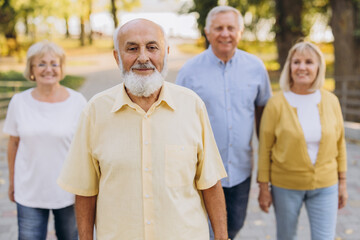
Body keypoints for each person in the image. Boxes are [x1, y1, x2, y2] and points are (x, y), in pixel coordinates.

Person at [57, 18, 230, 240]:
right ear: (117, 57)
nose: (143, 57)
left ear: (165, 53)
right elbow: (85, 190)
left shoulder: (192, 105)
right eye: (132, 48)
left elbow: (210, 183)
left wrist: (223, 237)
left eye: (152, 47)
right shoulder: (95, 111)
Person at [176, 5, 272, 239]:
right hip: (201, 171)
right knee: (206, 230)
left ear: (240, 32)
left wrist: (265, 169)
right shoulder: (189, 71)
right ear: (208, 32)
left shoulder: (256, 68)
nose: (225, 33)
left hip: (240, 168)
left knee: (235, 225)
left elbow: (263, 116)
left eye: (231, 28)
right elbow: (177, 121)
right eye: (218, 28)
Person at [257, 41, 348, 240]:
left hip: (326, 184)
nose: (302, 67)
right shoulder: (276, 104)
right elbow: (264, 149)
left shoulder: (331, 101)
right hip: (286, 186)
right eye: (296, 62)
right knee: (286, 237)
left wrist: (342, 182)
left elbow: (340, 144)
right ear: (289, 67)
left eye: (309, 62)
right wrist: (263, 188)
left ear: (318, 67)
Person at [3, 40, 86, 240]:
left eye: (54, 63)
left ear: (61, 68)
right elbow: (13, 144)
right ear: (31, 69)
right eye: (41, 64)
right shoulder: (19, 102)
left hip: (68, 192)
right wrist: (12, 183)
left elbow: (85, 149)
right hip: (29, 191)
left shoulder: (78, 102)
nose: (48, 69)